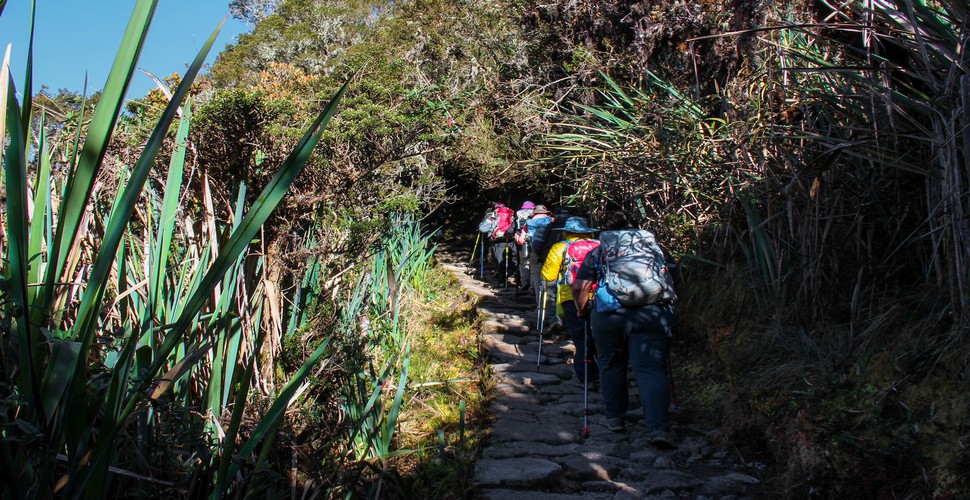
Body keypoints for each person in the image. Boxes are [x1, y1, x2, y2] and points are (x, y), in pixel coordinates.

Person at [571, 211, 678, 448]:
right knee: (651, 369)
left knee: (611, 364)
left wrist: (582, 310)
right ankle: (658, 427)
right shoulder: (656, 250)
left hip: (610, 315)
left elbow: (580, 286)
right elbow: (674, 280)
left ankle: (616, 419)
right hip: (653, 313)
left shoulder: (600, 251)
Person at [540, 216, 600, 383]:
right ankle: (603, 370)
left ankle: (586, 375)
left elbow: (548, 275)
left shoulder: (560, 247)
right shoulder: (599, 246)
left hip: (571, 295)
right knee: (598, 335)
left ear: (566, 232)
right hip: (599, 295)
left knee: (580, 336)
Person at [514, 201, 536, 289]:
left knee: (523, 262)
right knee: (533, 263)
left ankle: (525, 281)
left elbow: (515, 228)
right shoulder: (536, 216)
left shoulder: (519, 215)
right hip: (535, 242)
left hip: (522, 242)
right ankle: (532, 285)